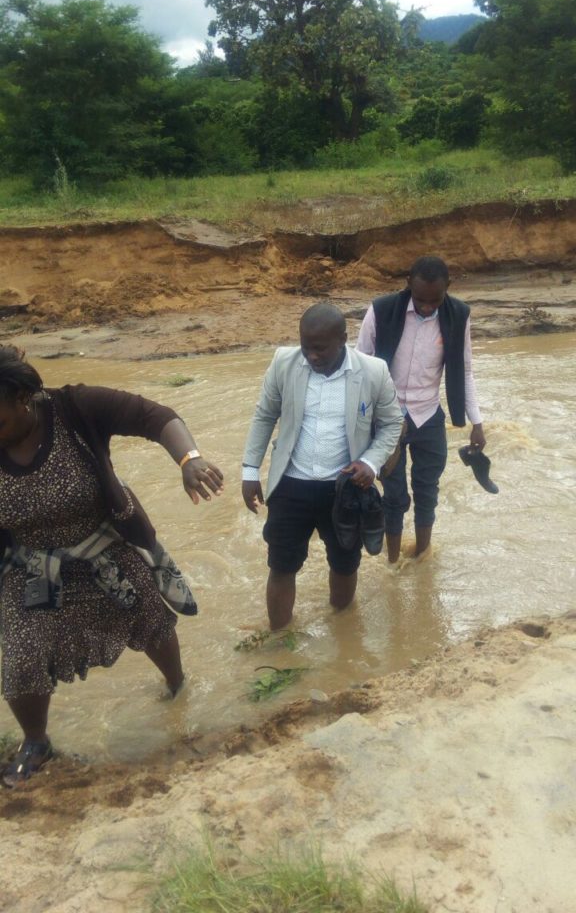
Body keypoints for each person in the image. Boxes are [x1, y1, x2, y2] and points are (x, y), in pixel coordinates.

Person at [0, 345, 224, 788]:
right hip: (33, 567)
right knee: (20, 657)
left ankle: (179, 691)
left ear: (22, 396)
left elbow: (155, 416)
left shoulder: (74, 408)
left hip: (104, 548)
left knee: (153, 622)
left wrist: (188, 459)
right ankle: (36, 742)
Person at [241, 304, 403, 630]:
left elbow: (391, 424)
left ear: (343, 339)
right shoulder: (284, 363)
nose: (312, 356)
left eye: (320, 348)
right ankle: (279, 637)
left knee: (344, 564)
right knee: (281, 565)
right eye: (305, 346)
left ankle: (342, 632)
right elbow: (264, 415)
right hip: (291, 485)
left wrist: (370, 461)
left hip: (345, 487)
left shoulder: (373, 372)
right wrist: (249, 470)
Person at [356, 255, 485, 563]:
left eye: (435, 301)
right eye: (420, 299)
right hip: (387, 419)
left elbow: (464, 370)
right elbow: (358, 365)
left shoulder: (458, 315)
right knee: (394, 495)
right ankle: (392, 563)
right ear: (408, 285)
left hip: (429, 417)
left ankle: (422, 557)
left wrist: (477, 422)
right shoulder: (381, 310)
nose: (427, 307)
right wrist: (358, 423)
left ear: (448, 289)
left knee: (428, 491)